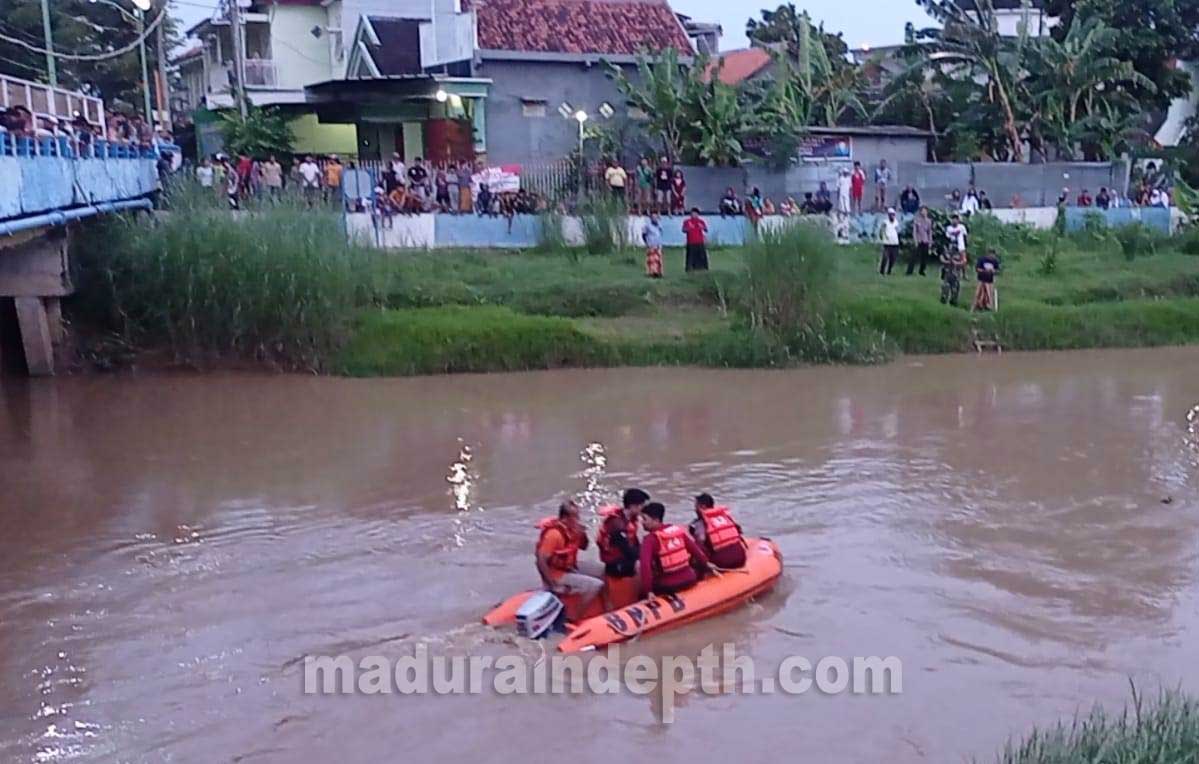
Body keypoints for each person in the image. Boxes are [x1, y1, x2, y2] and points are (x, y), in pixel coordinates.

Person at [537, 500, 610, 615]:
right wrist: (552, 585)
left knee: (604, 570)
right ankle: (575, 615)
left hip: (570, 567)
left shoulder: (573, 531)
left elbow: (584, 546)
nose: (578, 519)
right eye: (575, 516)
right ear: (565, 518)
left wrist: (582, 534)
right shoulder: (554, 534)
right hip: (556, 574)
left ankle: (607, 606)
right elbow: (540, 561)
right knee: (596, 585)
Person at [639, 503, 713, 597]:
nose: (642, 522)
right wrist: (706, 564)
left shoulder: (649, 540)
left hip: (669, 585)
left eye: (645, 519)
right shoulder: (676, 531)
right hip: (690, 579)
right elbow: (695, 550)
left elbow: (645, 566)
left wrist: (648, 591)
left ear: (656, 520)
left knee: (641, 594)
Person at [597, 489, 649, 579]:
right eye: (641, 506)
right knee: (646, 563)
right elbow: (627, 550)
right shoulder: (616, 523)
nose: (643, 510)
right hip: (616, 565)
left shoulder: (630, 519)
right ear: (633, 506)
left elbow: (635, 544)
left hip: (625, 558)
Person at [689, 493, 746, 570]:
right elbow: (739, 531)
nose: (694, 509)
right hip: (741, 558)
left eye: (696, 506)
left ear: (703, 507)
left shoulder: (699, 524)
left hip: (722, 563)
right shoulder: (725, 516)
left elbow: (699, 545)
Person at [972, 248, 1001, 312]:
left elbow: (997, 270)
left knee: (989, 294)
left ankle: (990, 307)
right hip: (981, 279)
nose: (992, 257)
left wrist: (993, 271)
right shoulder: (982, 259)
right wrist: (984, 271)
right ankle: (973, 308)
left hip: (990, 280)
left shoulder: (995, 261)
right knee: (977, 294)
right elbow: (977, 269)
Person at [908, 205, 932, 276]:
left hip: (925, 241)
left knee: (924, 257)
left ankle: (922, 271)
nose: (924, 213)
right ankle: (909, 271)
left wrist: (930, 242)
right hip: (918, 240)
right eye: (923, 211)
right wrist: (915, 240)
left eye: (925, 211)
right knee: (914, 256)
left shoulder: (929, 221)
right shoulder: (917, 220)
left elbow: (930, 232)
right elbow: (915, 231)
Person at [879, 207, 901, 276]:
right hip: (887, 243)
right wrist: (882, 237)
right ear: (888, 215)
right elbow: (881, 230)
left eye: (893, 214)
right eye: (891, 215)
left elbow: (898, 230)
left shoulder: (896, 222)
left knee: (893, 258)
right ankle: (882, 271)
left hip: (895, 242)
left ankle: (889, 270)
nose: (892, 216)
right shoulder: (885, 222)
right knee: (885, 257)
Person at [643, 213, 663, 278]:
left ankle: (659, 272)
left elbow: (660, 233)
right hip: (651, 244)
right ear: (651, 218)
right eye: (653, 217)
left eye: (656, 217)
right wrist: (647, 242)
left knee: (658, 259)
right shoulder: (647, 226)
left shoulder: (659, 225)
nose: (655, 218)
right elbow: (644, 234)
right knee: (651, 259)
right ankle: (651, 273)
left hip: (658, 244)